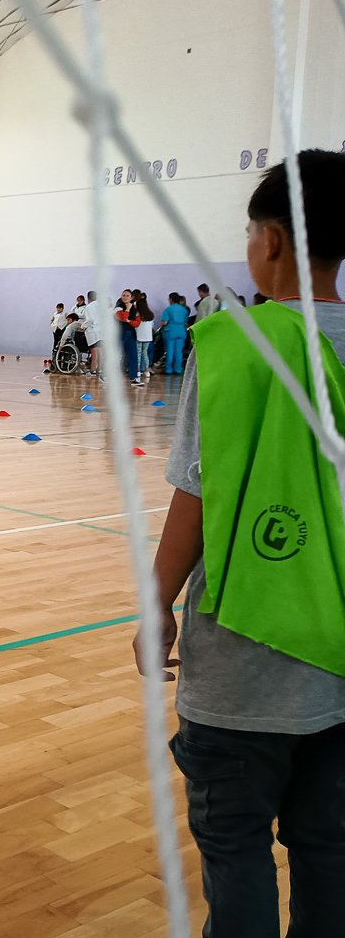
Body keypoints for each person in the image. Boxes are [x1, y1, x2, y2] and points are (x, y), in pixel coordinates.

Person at [137, 149, 345, 938]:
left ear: (275, 240)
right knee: (330, 850)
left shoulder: (235, 344)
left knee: (236, 848)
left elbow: (197, 496)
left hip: (242, 666)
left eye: (252, 232)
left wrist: (155, 604)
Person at [115, 290, 143, 385]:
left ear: (131, 298)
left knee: (133, 355)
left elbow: (137, 323)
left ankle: (134, 376)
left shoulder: (135, 309)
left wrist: (128, 321)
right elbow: (122, 318)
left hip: (130, 333)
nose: (125, 297)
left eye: (127, 295)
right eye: (123, 295)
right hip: (119, 333)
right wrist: (127, 309)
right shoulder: (118, 307)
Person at [160, 292, 189, 374]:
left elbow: (165, 322)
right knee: (179, 351)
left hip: (170, 331)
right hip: (181, 331)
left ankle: (168, 369)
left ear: (171, 299)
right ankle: (178, 369)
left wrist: (162, 328)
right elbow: (186, 322)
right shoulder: (184, 310)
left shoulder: (168, 309)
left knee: (170, 351)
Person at [134, 292, 155, 378]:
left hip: (139, 336)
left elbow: (135, 326)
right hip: (148, 336)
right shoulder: (151, 315)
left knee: (138, 353)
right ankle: (147, 371)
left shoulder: (137, 315)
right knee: (145, 353)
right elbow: (152, 326)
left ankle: (138, 371)